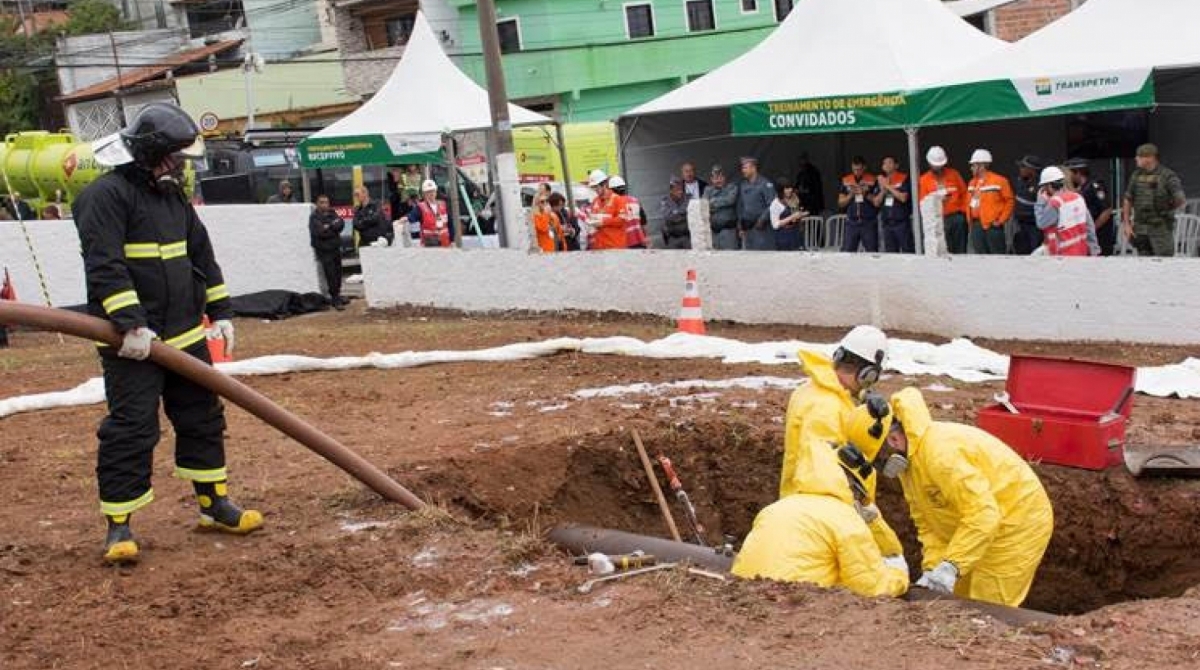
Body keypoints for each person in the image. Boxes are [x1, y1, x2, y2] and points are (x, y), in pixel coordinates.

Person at [74, 102, 262, 563]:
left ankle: (213, 504)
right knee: (132, 430)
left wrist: (220, 310)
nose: (181, 166)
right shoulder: (105, 196)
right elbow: (105, 267)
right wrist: (130, 325)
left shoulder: (171, 196)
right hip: (132, 345)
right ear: (151, 153)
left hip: (184, 335)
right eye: (175, 157)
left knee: (203, 417)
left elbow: (201, 253)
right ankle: (119, 528)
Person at [847, 387, 1054, 607]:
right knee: (955, 602)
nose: (882, 467)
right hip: (975, 524)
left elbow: (983, 515)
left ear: (894, 439)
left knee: (987, 611)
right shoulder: (911, 462)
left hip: (1017, 524)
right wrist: (933, 568)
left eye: (879, 459)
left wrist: (951, 566)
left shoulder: (941, 456)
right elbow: (929, 522)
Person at [779, 326, 905, 562]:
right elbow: (827, 473)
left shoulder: (814, 390)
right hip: (815, 513)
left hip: (799, 504)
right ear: (868, 373)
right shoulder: (827, 408)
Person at [732, 436, 909, 598]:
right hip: (794, 608)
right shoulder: (846, 520)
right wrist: (899, 576)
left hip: (743, 602)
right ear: (855, 488)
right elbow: (871, 587)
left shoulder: (773, 510)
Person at [1122, 143, 1185, 257]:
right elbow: (1128, 198)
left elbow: (1180, 199)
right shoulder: (1136, 175)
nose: (1136, 159)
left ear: (1150, 158)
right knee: (1144, 265)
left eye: (1140, 156)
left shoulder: (1167, 176)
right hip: (1140, 229)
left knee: (1163, 264)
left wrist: (1166, 209)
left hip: (1160, 230)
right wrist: (1127, 224)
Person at [1035, 166, 1098, 256]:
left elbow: (1041, 223)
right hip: (1081, 252)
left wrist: (1040, 202)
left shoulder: (1055, 202)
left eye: (1044, 187)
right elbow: (1089, 226)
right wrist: (1094, 249)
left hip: (1063, 255)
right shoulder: (1078, 198)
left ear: (1049, 186)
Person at [919, 146, 969, 254]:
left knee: (960, 249)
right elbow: (923, 201)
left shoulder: (954, 174)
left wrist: (963, 212)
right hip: (938, 220)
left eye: (940, 165)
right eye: (935, 165)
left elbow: (965, 194)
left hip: (956, 218)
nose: (938, 168)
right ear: (929, 163)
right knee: (942, 251)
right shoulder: (924, 180)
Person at [965, 149, 1014, 255]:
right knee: (980, 257)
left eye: (973, 165)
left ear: (981, 166)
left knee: (997, 257)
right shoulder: (972, 183)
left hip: (992, 227)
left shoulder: (1000, 181)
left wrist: (1000, 221)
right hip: (976, 226)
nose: (971, 168)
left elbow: (1009, 201)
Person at [1065, 157, 1115, 256]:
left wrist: (1092, 228)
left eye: (1069, 173)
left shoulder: (1095, 185)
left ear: (1078, 172)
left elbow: (1107, 210)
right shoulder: (1080, 188)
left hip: (1100, 236)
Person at [309, 194, 347, 309]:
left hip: (335, 247)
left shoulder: (332, 212)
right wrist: (332, 227)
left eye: (326, 202)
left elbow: (340, 224)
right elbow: (319, 232)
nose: (324, 204)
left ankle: (338, 295)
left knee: (338, 272)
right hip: (324, 250)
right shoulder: (314, 216)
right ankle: (335, 298)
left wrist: (328, 226)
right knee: (330, 274)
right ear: (317, 203)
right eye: (322, 202)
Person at [839, 156, 879, 252]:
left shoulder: (873, 180)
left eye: (859, 169)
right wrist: (851, 194)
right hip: (852, 222)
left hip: (868, 222)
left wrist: (865, 194)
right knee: (847, 252)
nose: (857, 172)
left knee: (872, 252)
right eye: (854, 169)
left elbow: (877, 202)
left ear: (864, 167)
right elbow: (841, 203)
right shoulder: (846, 180)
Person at [874, 155, 913, 253]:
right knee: (891, 254)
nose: (886, 165)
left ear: (896, 165)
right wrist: (883, 190)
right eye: (884, 163)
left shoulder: (903, 178)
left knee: (908, 252)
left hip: (901, 222)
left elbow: (903, 198)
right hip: (887, 224)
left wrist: (888, 186)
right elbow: (876, 203)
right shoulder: (881, 181)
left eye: (889, 162)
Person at [738, 157, 775, 251]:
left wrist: (762, 220)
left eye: (745, 168)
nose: (743, 171)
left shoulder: (765, 184)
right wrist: (740, 225)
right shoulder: (743, 185)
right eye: (742, 168)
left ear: (753, 168)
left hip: (761, 228)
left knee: (762, 257)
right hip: (747, 229)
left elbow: (772, 205)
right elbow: (741, 206)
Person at [585, 169, 628, 250]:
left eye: (596, 187)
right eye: (593, 187)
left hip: (615, 246)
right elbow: (593, 219)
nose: (595, 190)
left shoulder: (617, 199)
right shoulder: (595, 201)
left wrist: (603, 222)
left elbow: (622, 219)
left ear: (604, 184)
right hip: (600, 246)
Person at [1012, 155, 1044, 254]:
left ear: (1031, 170)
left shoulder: (1041, 185)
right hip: (1020, 226)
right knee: (1021, 253)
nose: (1020, 169)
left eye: (1023, 167)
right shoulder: (1019, 181)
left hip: (1034, 228)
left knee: (1035, 254)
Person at [706, 164, 740, 250]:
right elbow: (704, 205)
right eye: (715, 178)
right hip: (713, 232)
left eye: (720, 177)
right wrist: (720, 203)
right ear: (711, 179)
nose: (718, 180)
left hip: (728, 231)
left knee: (730, 258)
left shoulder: (732, 187)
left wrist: (713, 202)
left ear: (724, 177)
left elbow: (730, 200)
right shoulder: (708, 190)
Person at [609, 176, 648, 249]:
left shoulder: (613, 204)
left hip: (624, 244)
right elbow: (643, 222)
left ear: (611, 190)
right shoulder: (635, 201)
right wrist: (646, 238)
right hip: (639, 241)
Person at [409, 179, 450, 247]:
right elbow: (411, 217)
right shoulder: (420, 207)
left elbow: (450, 224)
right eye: (428, 192)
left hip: (444, 243)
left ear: (436, 192)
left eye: (432, 191)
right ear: (424, 194)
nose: (431, 194)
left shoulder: (443, 205)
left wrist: (452, 240)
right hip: (429, 244)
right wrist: (403, 219)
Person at [769, 179, 806, 251]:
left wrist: (801, 215)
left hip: (796, 235)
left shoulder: (794, 199)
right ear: (780, 189)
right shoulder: (775, 203)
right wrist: (791, 217)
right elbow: (775, 225)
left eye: (790, 188)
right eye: (786, 188)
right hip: (784, 237)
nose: (789, 190)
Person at [659, 177, 691, 249]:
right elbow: (668, 217)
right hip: (672, 237)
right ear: (671, 190)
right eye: (677, 190)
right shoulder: (665, 200)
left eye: (681, 189)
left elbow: (690, 214)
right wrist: (682, 213)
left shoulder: (687, 198)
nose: (680, 192)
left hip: (686, 236)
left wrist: (675, 212)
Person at [793, 152, 825, 217]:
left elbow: (816, 188)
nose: (800, 162)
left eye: (802, 160)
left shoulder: (813, 172)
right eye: (799, 160)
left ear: (806, 160)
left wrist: (803, 191)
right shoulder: (801, 173)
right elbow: (797, 186)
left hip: (813, 203)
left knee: (814, 221)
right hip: (803, 202)